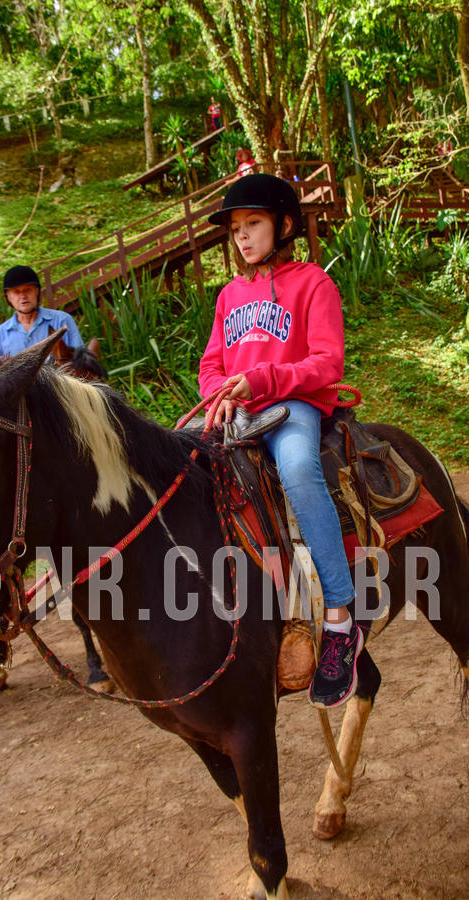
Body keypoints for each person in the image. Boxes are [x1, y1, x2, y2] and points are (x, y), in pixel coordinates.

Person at [199, 174, 363, 709]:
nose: (242, 236)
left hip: (293, 405)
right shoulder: (229, 295)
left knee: (296, 470)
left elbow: (328, 363)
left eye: (254, 223)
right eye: (235, 229)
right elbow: (211, 364)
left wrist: (264, 380)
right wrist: (217, 394)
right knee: (181, 463)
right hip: (240, 411)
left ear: (284, 225)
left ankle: (339, 617)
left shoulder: (314, 283)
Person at [0, 265, 84, 357]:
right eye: (16, 292)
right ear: (8, 296)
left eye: (27, 290)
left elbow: (80, 361)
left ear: (37, 291)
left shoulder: (62, 321)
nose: (23, 296)